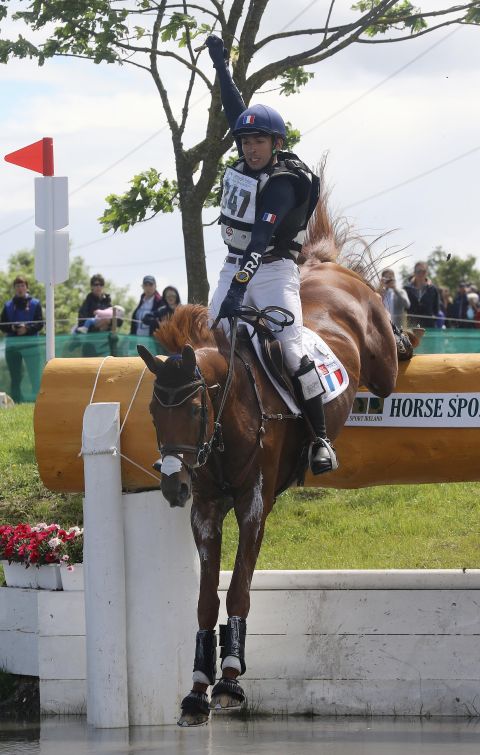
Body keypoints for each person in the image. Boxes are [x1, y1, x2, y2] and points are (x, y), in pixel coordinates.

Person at [205, 34, 336, 475]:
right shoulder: (244, 162)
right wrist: (222, 66)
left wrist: (239, 290)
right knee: (210, 344)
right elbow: (233, 108)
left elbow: (260, 242)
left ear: (275, 143)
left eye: (259, 141)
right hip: (232, 267)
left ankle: (320, 439)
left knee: (291, 352)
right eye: (245, 142)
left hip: (273, 271)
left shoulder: (284, 181)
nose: (250, 148)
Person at [0, 275, 43, 402]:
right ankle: (16, 401)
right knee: (15, 376)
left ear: (27, 287)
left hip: (32, 345)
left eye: (22, 285)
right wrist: (13, 328)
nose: (20, 288)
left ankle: (39, 401)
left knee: (35, 374)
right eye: (17, 286)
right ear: (14, 288)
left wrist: (27, 328)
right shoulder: (7, 306)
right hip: (12, 346)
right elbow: (2, 325)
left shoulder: (35, 304)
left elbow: (40, 323)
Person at [404, 262, 440, 329]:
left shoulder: (433, 289)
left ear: (427, 273)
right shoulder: (406, 289)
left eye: (423, 271)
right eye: (418, 271)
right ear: (414, 272)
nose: (421, 274)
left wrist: (432, 319)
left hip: (429, 328)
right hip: (412, 328)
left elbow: (436, 309)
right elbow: (403, 308)